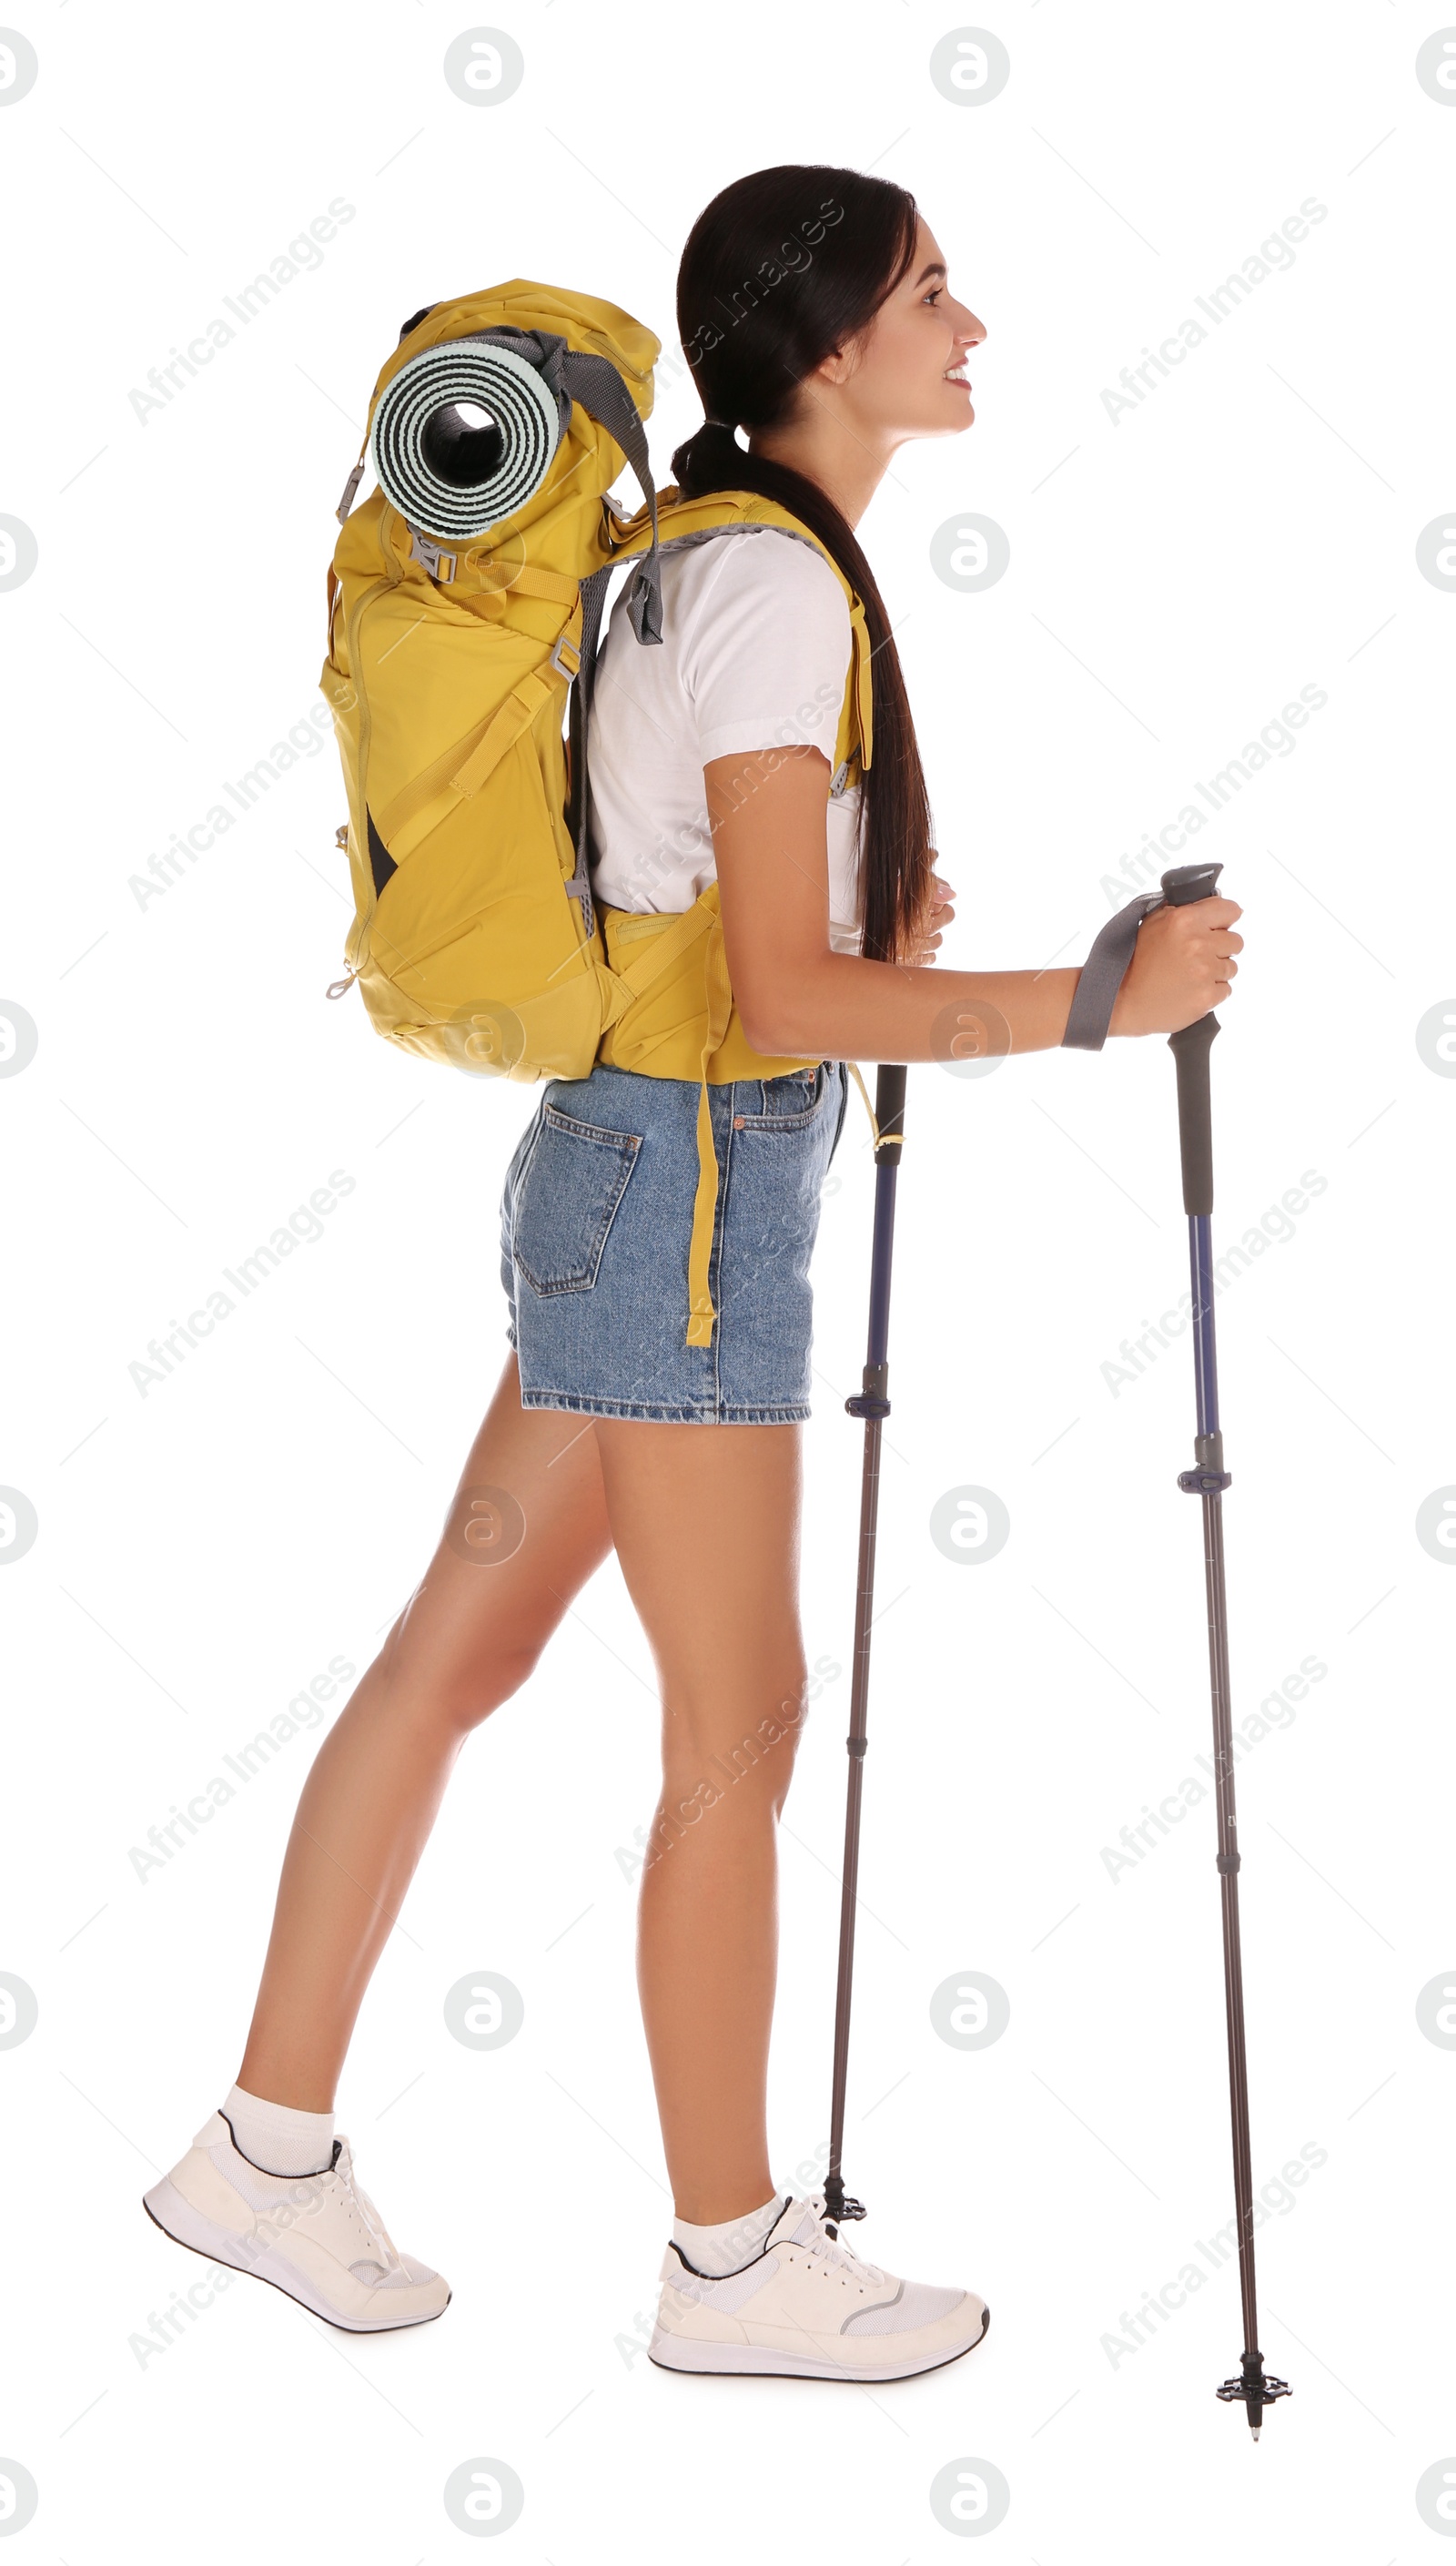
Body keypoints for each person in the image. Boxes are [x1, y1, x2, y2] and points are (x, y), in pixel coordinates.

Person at [142, 165, 1241, 2379]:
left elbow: (750, 947)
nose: (971, 327)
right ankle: (731, 2267)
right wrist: (1092, 1003)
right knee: (734, 1721)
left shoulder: (709, 557)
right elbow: (787, 993)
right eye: (931, 292)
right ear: (826, 347)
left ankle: (259, 2153)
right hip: (689, 1217)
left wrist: (869, 946)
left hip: (627, 1180)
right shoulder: (768, 592)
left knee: (450, 1658)